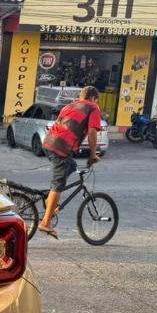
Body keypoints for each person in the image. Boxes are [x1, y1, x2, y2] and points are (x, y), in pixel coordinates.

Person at [36, 86, 103, 239]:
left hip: (49, 142)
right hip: (61, 147)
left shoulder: (70, 105)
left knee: (71, 165)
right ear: (94, 98)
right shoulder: (93, 107)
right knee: (58, 184)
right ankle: (45, 222)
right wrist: (93, 154)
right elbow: (92, 132)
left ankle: (50, 200)